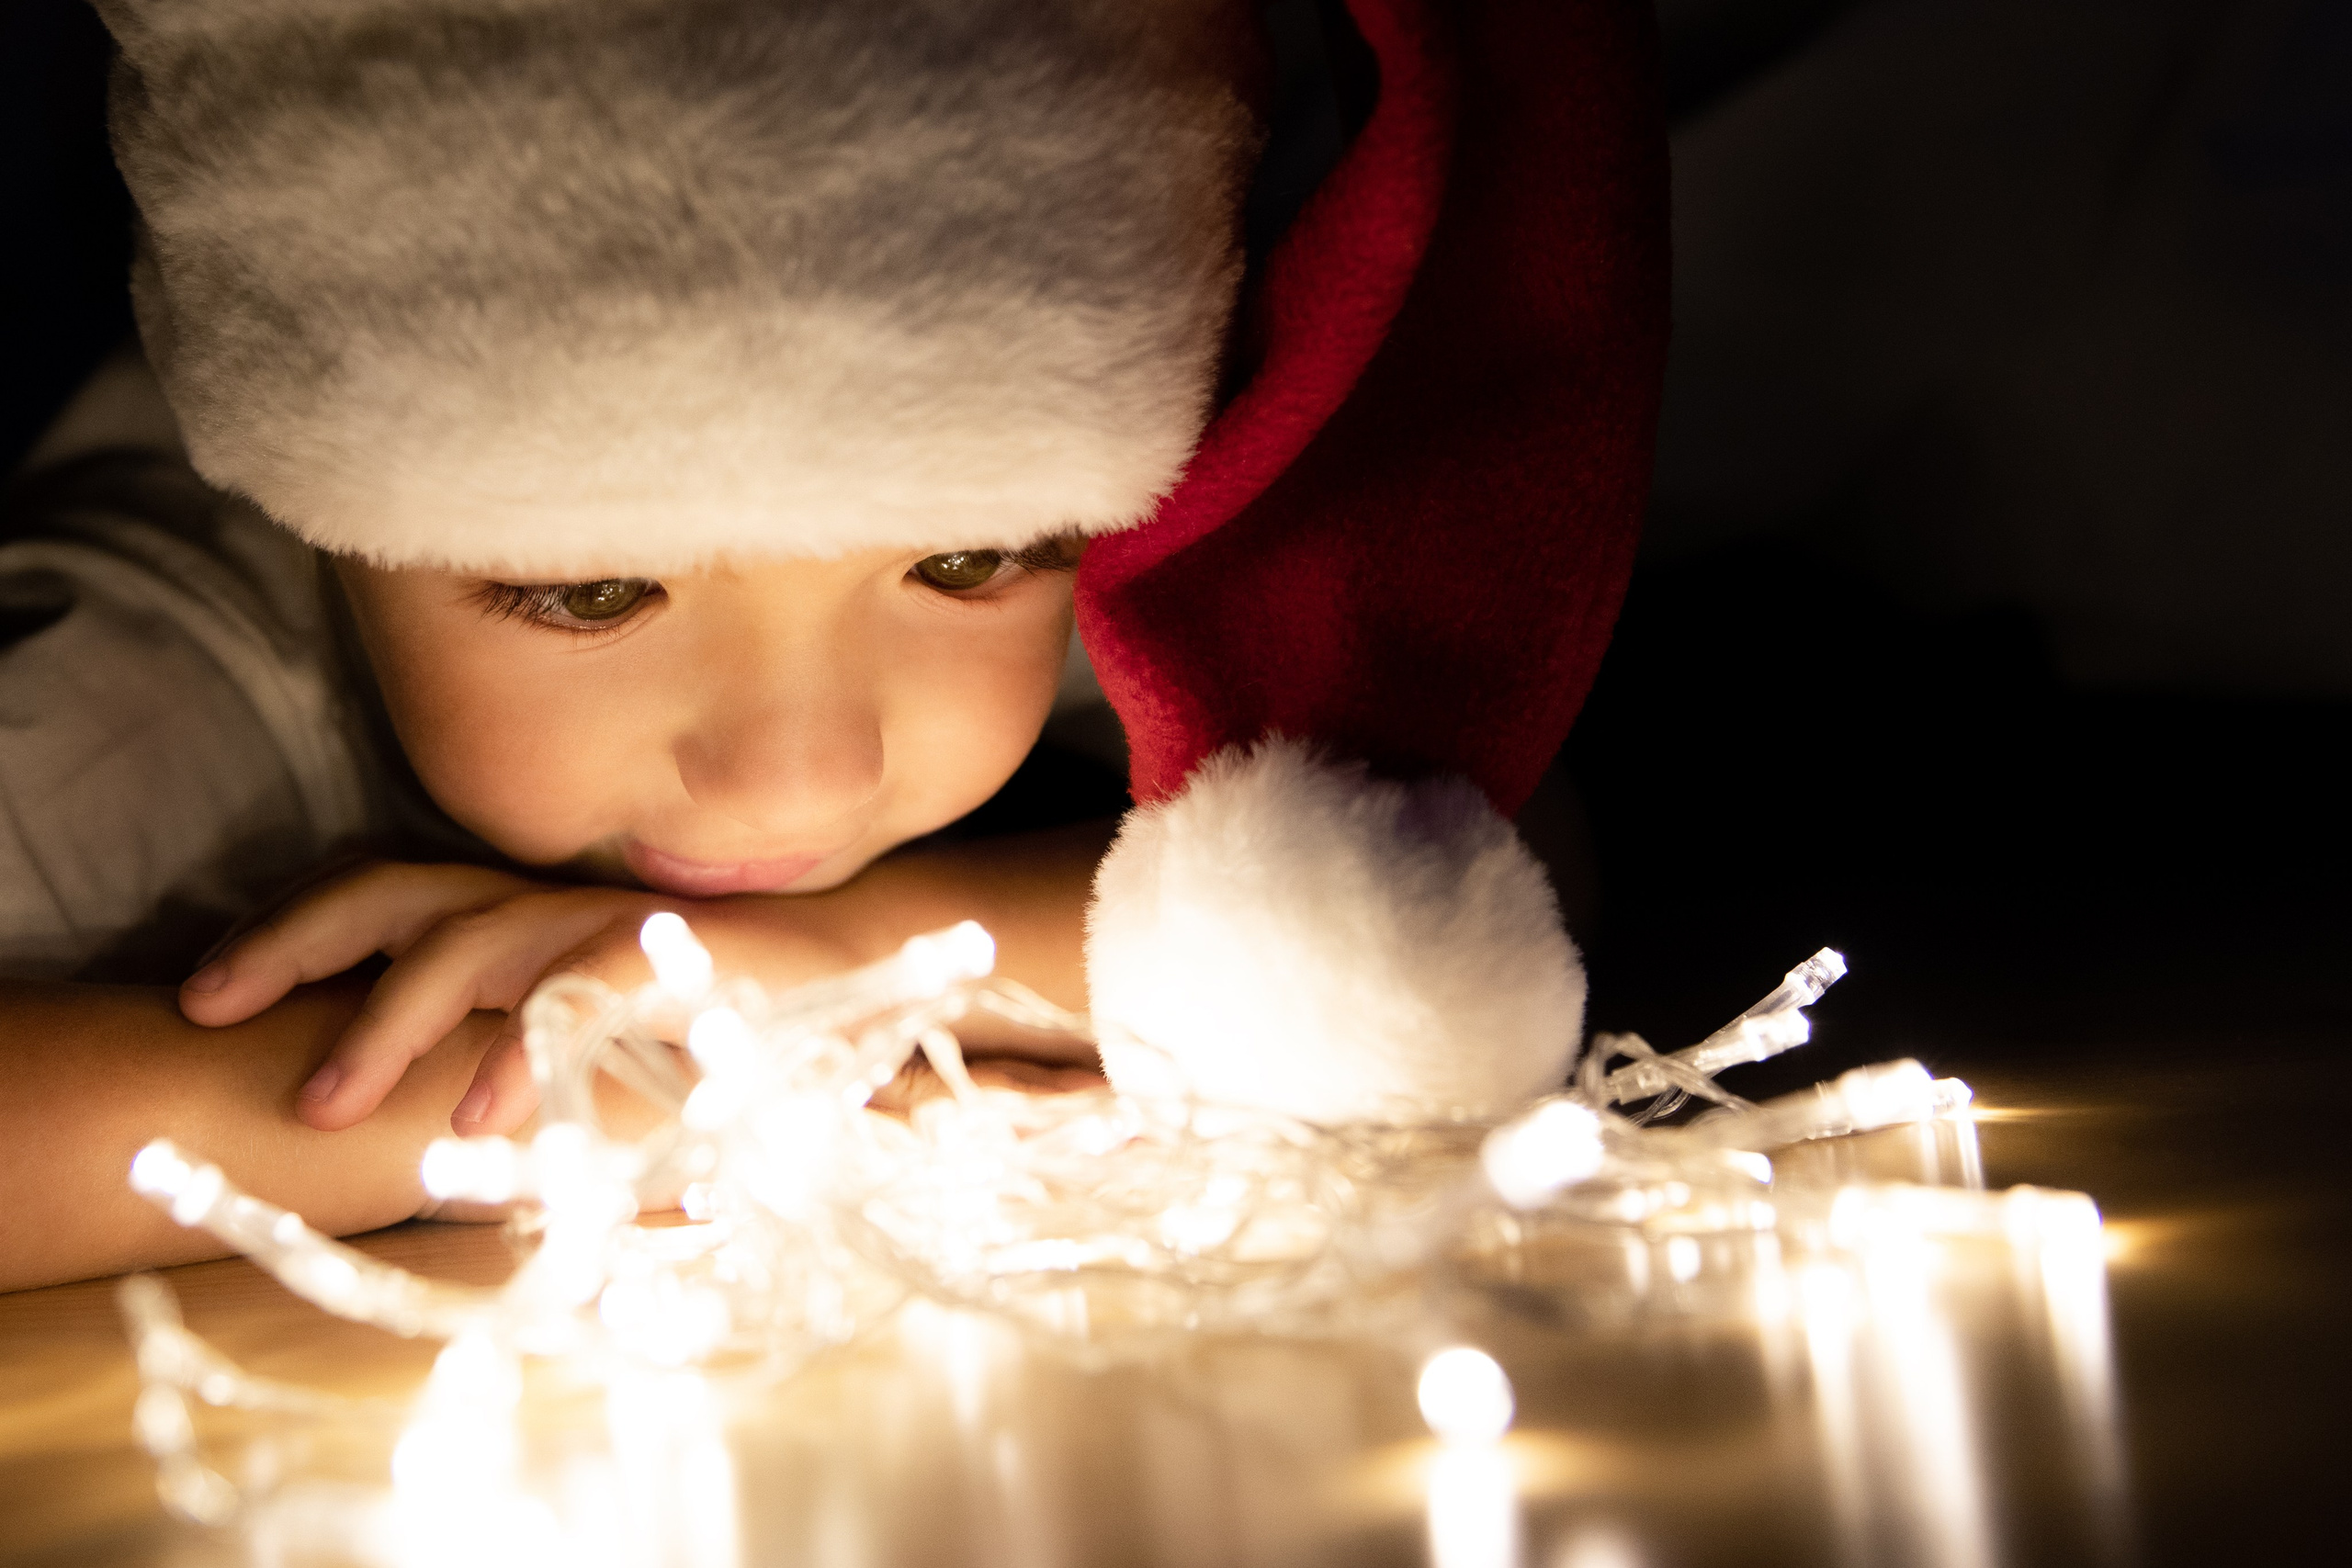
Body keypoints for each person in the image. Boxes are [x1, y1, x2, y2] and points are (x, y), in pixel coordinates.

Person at [1, 0, 1667, 1292]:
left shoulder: (1078, 523)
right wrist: (600, 1085)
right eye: (591, 592)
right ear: (327, 524)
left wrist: (841, 963)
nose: (800, 766)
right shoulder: (142, 695)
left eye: (964, 563)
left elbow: (1485, 865)